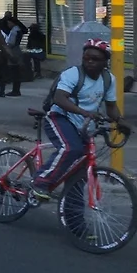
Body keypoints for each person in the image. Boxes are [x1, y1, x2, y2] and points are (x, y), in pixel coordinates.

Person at [31, 39, 122, 201]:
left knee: (80, 170)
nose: (90, 62)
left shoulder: (108, 79)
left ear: (105, 62)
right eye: (86, 58)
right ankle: (40, 182)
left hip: (84, 125)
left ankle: (73, 216)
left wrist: (121, 122)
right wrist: (84, 112)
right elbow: (60, 98)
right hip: (60, 117)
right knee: (70, 148)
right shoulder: (73, 74)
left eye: (95, 59)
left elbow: (111, 106)